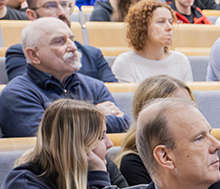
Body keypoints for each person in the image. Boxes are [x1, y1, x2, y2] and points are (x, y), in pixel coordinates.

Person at [0, 18, 129, 138]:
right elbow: (48, 139)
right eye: (59, 41)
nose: (73, 47)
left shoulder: (95, 86)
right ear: (33, 55)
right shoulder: (17, 94)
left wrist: (70, 124)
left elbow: (122, 125)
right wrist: (96, 115)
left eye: (71, 39)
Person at [5, 0, 116, 83]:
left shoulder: (93, 54)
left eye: (64, 5)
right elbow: (25, 93)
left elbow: (111, 95)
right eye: (50, 6)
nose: (62, 12)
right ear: (32, 15)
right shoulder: (21, 54)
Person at [113, 75, 198, 187]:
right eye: (179, 107)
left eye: (190, 106)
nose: (188, 113)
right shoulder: (133, 162)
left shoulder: (204, 149)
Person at [112, 0, 193, 83]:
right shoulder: (125, 63)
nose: (169, 27)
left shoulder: (181, 61)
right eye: (161, 21)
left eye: (170, 22)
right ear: (142, 27)